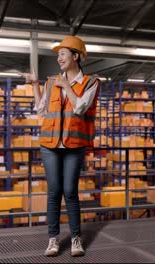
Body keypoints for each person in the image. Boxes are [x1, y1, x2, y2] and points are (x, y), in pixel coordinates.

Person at [24, 35, 100, 257]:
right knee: (54, 192)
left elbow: (80, 107)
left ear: (75, 56)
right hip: (50, 145)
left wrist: (66, 85)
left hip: (73, 145)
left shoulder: (91, 82)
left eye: (63, 54)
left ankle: (76, 239)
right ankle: (53, 240)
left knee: (70, 192)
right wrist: (36, 85)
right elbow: (41, 109)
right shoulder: (51, 82)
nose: (59, 58)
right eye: (58, 55)